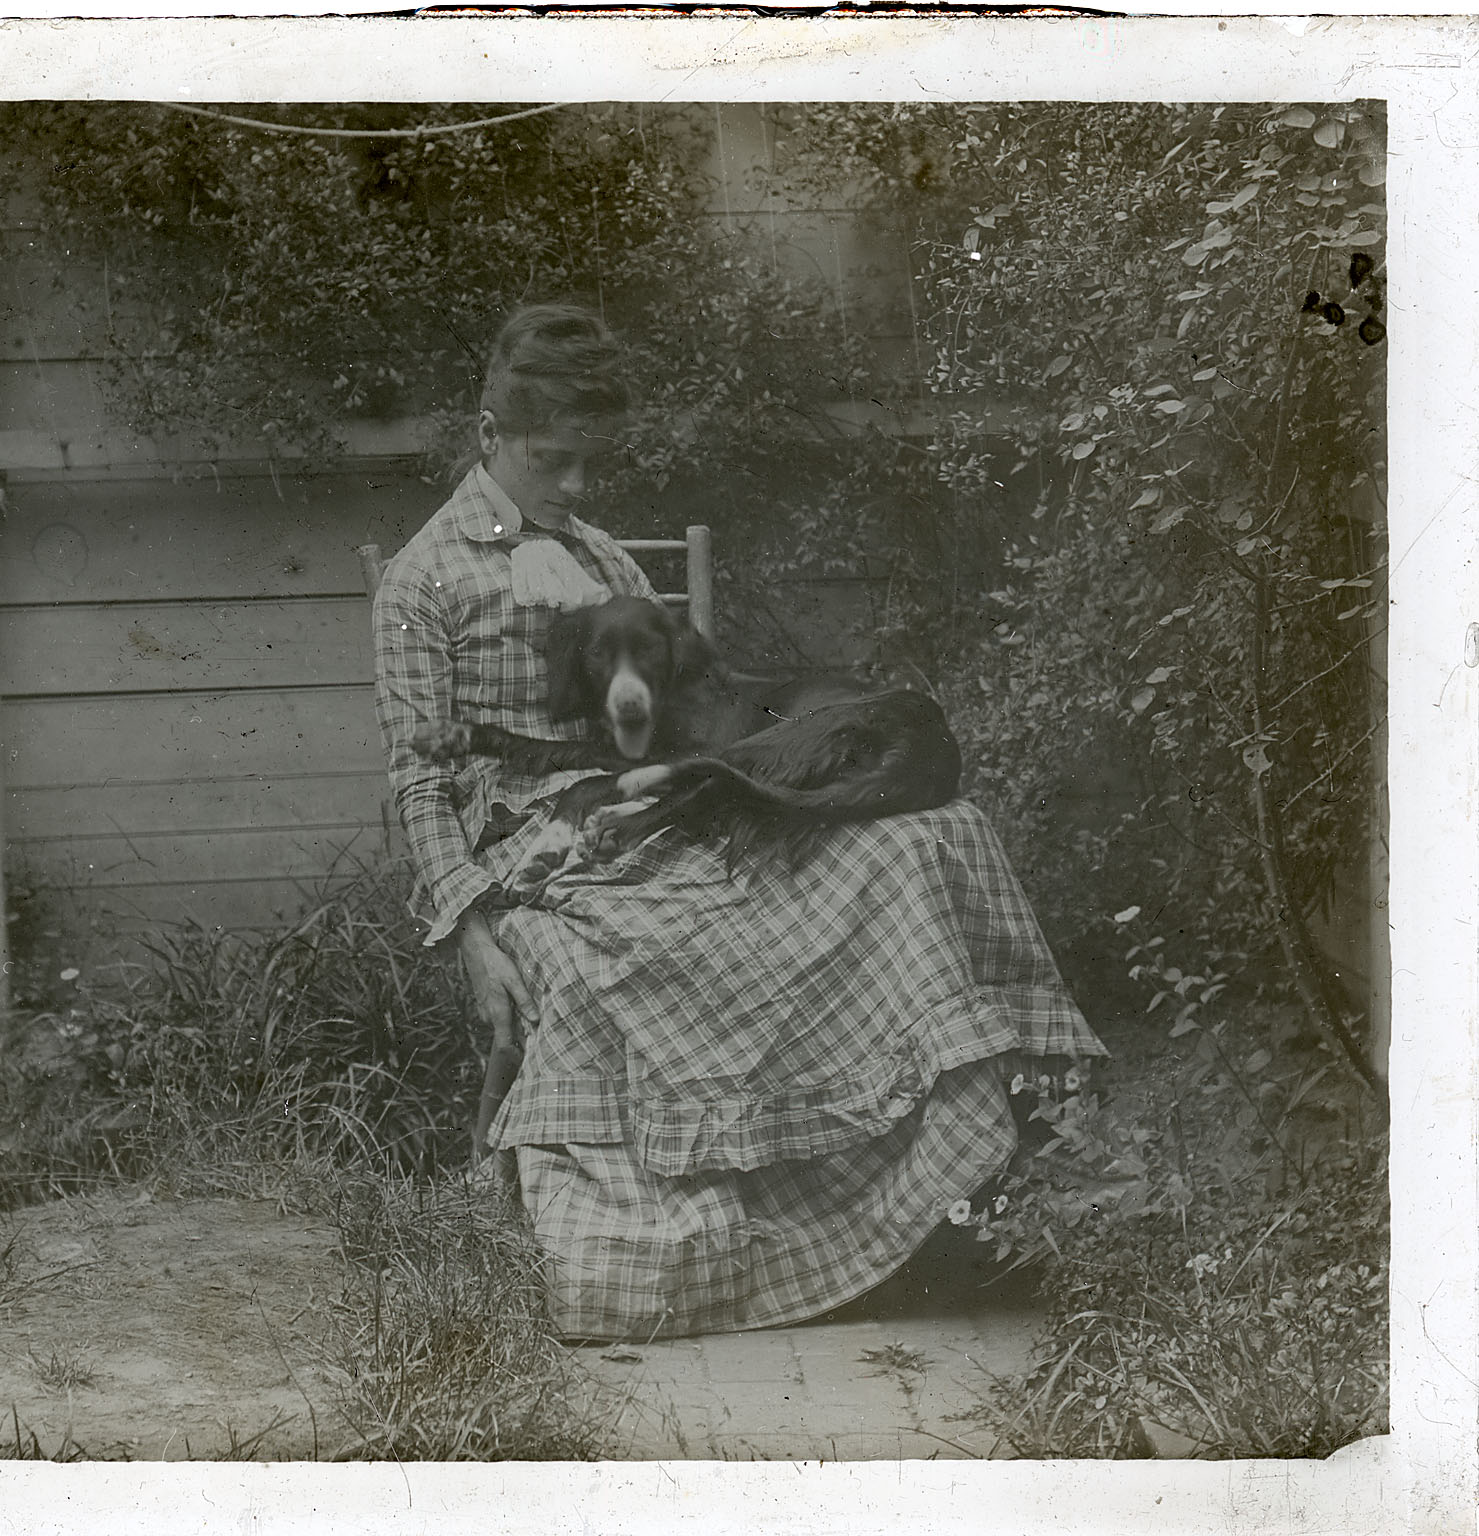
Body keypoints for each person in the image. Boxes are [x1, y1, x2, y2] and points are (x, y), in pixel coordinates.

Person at [372, 302, 1104, 1341]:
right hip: (531, 857)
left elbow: (695, 720)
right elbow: (415, 779)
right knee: (605, 967)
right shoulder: (421, 582)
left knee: (909, 844)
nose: (577, 491)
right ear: (488, 440)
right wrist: (472, 932)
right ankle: (726, 1241)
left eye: (590, 466)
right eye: (552, 464)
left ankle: (950, 1184)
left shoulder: (606, 562)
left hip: (660, 818)